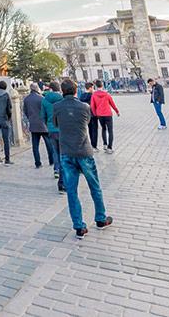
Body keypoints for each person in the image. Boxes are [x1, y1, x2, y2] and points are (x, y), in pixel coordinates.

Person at [52, 80, 112, 239]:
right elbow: (86, 122)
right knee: (95, 186)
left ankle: (79, 226)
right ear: (75, 91)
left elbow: (56, 124)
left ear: (62, 92)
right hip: (84, 150)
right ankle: (100, 218)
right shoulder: (84, 107)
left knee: (72, 191)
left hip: (66, 152)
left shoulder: (57, 107)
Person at [42, 81, 64, 192]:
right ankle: (63, 173)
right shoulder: (62, 99)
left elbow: (43, 116)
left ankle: (56, 169)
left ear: (50, 89)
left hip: (51, 128)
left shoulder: (45, 100)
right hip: (61, 128)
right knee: (63, 152)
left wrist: (48, 125)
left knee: (55, 151)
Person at [23, 83, 51, 169]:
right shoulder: (42, 98)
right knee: (49, 144)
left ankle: (37, 163)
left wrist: (30, 118)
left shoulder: (26, 99)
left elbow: (25, 111)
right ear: (37, 89)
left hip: (33, 124)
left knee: (35, 146)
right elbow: (46, 111)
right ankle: (52, 160)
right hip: (43, 124)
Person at [89, 81, 120, 153]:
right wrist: (117, 111)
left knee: (103, 129)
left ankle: (105, 144)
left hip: (100, 115)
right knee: (110, 130)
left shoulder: (94, 95)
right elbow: (112, 104)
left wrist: (95, 113)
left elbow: (92, 106)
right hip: (108, 114)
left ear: (96, 86)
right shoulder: (106, 94)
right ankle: (110, 147)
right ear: (102, 86)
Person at [77, 81, 100, 149]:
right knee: (94, 130)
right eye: (92, 87)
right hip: (93, 114)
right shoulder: (92, 95)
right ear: (90, 88)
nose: (93, 89)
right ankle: (94, 145)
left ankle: (90, 144)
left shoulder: (81, 96)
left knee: (89, 129)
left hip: (85, 115)